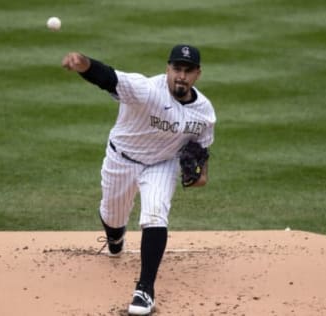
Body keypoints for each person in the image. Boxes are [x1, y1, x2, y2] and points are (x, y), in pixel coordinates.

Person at [62, 44, 216, 315]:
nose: (181, 76)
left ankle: (145, 290)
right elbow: (109, 77)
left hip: (161, 164)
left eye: (188, 71)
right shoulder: (146, 90)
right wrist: (83, 63)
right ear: (167, 69)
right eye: (176, 69)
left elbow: (201, 149)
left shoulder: (204, 112)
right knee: (113, 215)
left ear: (197, 74)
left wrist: (201, 175)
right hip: (121, 159)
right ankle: (115, 236)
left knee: (155, 215)